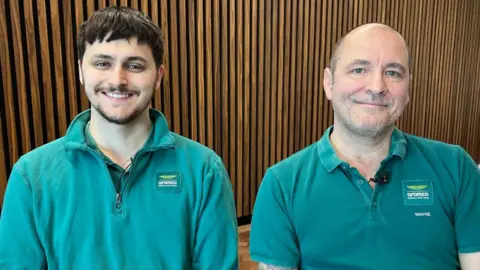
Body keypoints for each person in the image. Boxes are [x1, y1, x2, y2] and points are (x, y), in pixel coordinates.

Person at [0, 6, 238, 269]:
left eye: (134, 65)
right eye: (102, 63)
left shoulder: (204, 171)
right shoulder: (31, 176)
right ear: (81, 70)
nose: (118, 80)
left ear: (158, 76)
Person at [249, 23, 480, 269]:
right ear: (329, 83)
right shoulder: (282, 184)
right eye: (359, 69)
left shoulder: (456, 167)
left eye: (393, 73)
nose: (376, 87)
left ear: (408, 88)